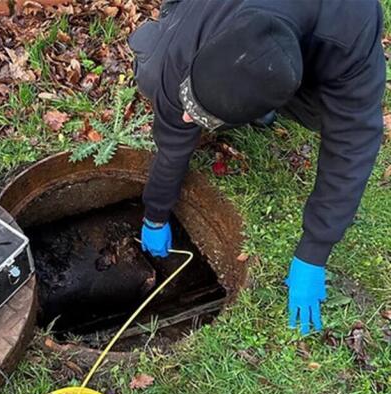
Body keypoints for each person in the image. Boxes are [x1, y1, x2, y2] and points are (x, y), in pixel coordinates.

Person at [129, 0, 386, 335]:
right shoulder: (200, 29)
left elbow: (353, 141)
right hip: (198, 21)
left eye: (202, 115)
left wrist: (314, 250)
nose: (188, 117)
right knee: (156, 74)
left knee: (326, 115)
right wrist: (156, 211)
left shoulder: (352, 26)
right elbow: (175, 133)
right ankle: (197, 71)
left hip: (313, 41)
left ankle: (263, 99)